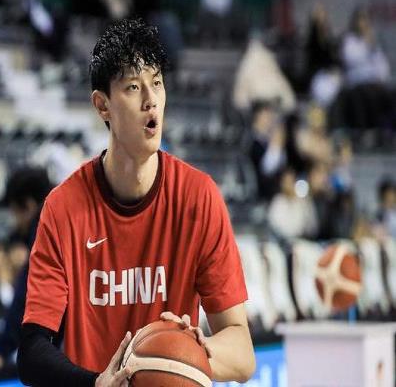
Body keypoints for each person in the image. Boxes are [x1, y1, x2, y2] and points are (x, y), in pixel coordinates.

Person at [17, 19, 255, 385]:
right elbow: (32, 351)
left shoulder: (199, 197)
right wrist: (96, 383)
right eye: (133, 86)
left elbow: (242, 355)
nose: (150, 100)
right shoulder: (63, 208)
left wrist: (189, 349)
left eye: (156, 83)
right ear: (103, 106)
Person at [0, 167, 53, 369]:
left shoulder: (45, 227)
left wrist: (0, 349)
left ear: (28, 205)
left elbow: (28, 292)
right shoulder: (72, 212)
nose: (16, 223)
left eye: (15, 213)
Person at [249, 101, 287, 201]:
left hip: (275, 193)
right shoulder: (251, 142)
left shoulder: (267, 141)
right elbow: (267, 169)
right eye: (266, 116)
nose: (270, 119)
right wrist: (276, 145)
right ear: (257, 116)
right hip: (260, 194)